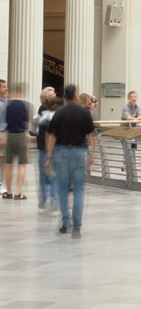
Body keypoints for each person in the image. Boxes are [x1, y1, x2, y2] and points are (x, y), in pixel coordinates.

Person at [45, 85, 95, 237]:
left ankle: (65, 223)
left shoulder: (60, 114)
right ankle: (77, 226)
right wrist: (91, 155)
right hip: (80, 152)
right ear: (75, 95)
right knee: (79, 189)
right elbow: (92, 136)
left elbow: (52, 136)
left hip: (62, 153)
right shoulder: (84, 113)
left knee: (62, 189)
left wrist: (48, 157)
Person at [30, 89, 59, 213]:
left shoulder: (40, 114)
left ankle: (42, 204)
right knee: (53, 177)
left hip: (42, 147)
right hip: (54, 149)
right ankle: (52, 204)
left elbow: (31, 129)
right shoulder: (56, 115)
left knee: (43, 177)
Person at [4, 83, 32, 199]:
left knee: (8, 165)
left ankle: (9, 191)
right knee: (21, 165)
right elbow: (26, 120)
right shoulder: (24, 105)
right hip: (21, 136)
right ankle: (18, 192)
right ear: (23, 92)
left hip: (10, 135)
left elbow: (6, 119)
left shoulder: (9, 105)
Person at [0, 79, 8, 193]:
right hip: (1, 133)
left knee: (4, 161)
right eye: (3, 87)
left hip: (6, 133)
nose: (6, 88)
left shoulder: (5, 101)